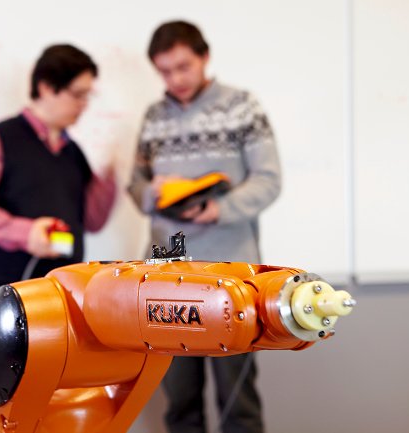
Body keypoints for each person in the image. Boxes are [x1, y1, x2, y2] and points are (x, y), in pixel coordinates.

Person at [0, 44, 115, 433]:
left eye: (88, 95)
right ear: (46, 88)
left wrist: (108, 179)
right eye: (77, 94)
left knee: (49, 409)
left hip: (61, 305)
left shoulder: (74, 153)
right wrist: (25, 233)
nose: (84, 105)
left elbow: (91, 221)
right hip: (1, 302)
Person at [128, 21, 281, 433]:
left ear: (204, 56)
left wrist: (218, 209)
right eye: (165, 71)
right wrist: (154, 193)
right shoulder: (153, 117)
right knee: (179, 402)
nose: (175, 79)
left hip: (231, 279)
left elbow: (269, 180)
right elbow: (135, 186)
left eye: (183, 67)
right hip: (166, 277)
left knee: (238, 403)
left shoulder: (241, 107)